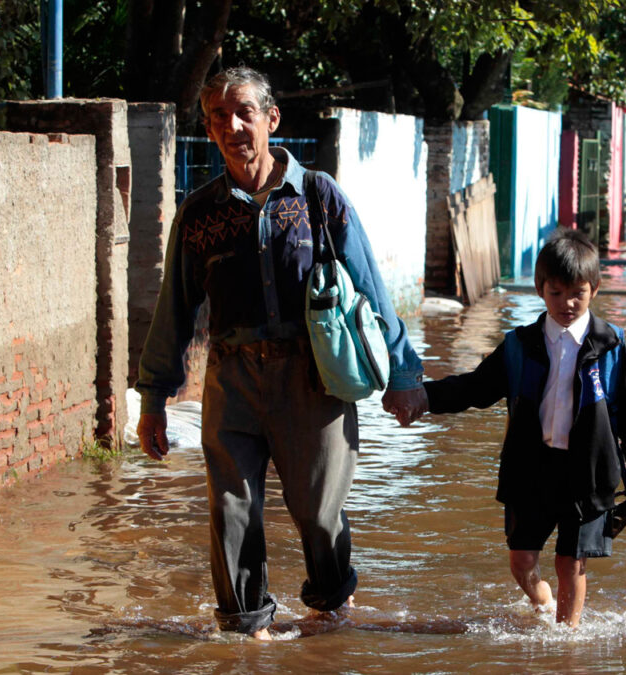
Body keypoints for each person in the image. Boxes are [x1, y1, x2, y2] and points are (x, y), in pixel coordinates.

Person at [134, 66, 428, 640]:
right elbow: (174, 310)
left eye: (245, 112)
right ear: (209, 127)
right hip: (232, 378)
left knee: (319, 513)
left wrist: (404, 375)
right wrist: (153, 399)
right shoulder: (198, 215)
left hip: (312, 378)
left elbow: (370, 286)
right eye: (219, 116)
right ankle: (247, 632)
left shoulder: (318, 195)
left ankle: (330, 610)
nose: (233, 125)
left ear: (272, 119)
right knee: (232, 511)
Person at [420, 229, 626, 628]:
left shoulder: (611, 345)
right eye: (557, 292)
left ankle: (568, 640)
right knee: (521, 561)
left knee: (571, 561)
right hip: (532, 467)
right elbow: (475, 388)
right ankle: (540, 597)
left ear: (595, 289)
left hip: (588, 471)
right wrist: (423, 398)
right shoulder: (519, 346)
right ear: (540, 290)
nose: (567, 303)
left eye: (577, 293)